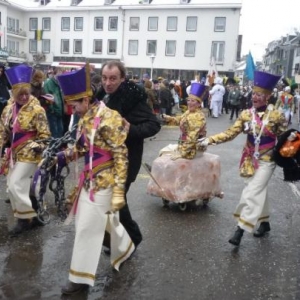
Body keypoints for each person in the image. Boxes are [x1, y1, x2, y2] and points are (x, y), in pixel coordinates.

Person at [56, 63, 135, 295]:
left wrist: (119, 189)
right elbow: (84, 149)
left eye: (75, 105)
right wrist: (64, 156)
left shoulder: (111, 118)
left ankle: (79, 279)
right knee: (107, 221)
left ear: (86, 99)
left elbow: (121, 154)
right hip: (89, 179)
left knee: (86, 228)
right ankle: (126, 247)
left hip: (106, 181)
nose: (73, 110)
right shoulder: (85, 118)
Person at [198, 71, 288, 246]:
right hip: (248, 160)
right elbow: (231, 133)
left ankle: (240, 229)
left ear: (268, 96)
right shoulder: (246, 114)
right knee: (257, 191)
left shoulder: (276, 115)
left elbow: (284, 137)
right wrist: (210, 140)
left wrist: (291, 139)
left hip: (267, 160)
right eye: (254, 93)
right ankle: (265, 222)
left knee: (252, 193)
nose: (255, 96)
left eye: (259, 94)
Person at [96, 60, 161, 250]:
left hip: (127, 160)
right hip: (104, 160)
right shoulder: (102, 96)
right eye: (105, 78)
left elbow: (154, 124)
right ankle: (120, 238)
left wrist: (130, 129)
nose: (108, 83)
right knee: (110, 200)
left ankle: (132, 237)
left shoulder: (133, 99)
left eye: (113, 79)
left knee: (117, 200)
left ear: (122, 79)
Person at [0, 64, 51, 236]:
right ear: (13, 93)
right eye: (19, 94)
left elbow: (45, 135)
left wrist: (38, 146)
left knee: (15, 184)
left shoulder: (37, 109)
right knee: (12, 187)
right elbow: (3, 132)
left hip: (30, 153)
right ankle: (33, 215)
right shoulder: (8, 109)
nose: (23, 96)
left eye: (26, 93)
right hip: (13, 154)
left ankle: (25, 219)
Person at [161, 82, 207, 159]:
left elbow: (192, 138)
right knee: (163, 152)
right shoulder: (189, 112)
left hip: (193, 149)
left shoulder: (198, 117)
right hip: (184, 144)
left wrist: (182, 153)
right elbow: (180, 120)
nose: (189, 103)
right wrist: (168, 118)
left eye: (193, 101)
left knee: (163, 152)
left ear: (199, 104)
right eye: (189, 100)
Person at [43, 66, 65, 138]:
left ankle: (58, 146)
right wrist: (52, 110)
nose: (61, 73)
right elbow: (47, 96)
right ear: (55, 72)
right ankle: (54, 148)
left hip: (59, 111)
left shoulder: (59, 83)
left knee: (60, 131)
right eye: (60, 71)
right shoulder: (48, 83)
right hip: (53, 112)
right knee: (54, 132)